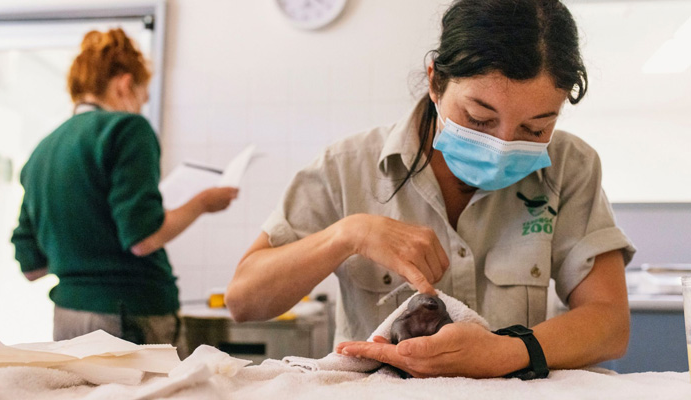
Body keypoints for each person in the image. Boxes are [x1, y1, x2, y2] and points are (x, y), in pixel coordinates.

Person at [226, 0, 635, 379]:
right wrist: (347, 235)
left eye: (535, 128)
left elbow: (609, 322)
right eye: (478, 119)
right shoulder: (346, 166)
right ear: (436, 82)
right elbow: (244, 300)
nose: (502, 146)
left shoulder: (571, 167)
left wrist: (507, 351)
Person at [11, 28, 238, 346]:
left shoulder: (42, 150)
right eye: (143, 99)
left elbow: (31, 264)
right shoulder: (127, 128)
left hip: (66, 318)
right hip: (129, 315)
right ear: (125, 84)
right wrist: (202, 202)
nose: (141, 108)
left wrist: (80, 252)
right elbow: (142, 239)